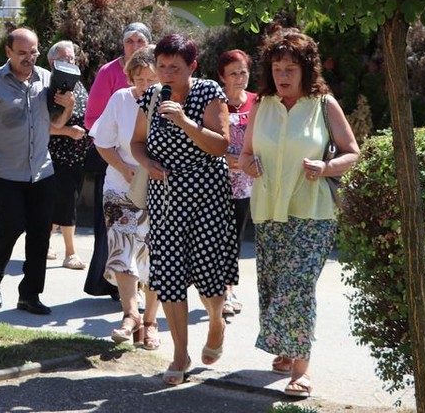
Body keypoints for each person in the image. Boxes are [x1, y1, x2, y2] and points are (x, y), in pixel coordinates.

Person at [238, 28, 359, 399]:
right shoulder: (261, 104)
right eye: (277, 68)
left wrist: (326, 167)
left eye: (290, 68)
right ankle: (285, 346)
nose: (283, 75)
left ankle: (301, 370)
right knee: (274, 285)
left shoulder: (324, 105)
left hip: (313, 213)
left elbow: (352, 152)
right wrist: (249, 165)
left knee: (297, 286)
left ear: (307, 69)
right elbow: (245, 155)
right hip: (268, 211)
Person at [130, 34, 236, 387]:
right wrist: (148, 163)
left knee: (208, 274)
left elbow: (221, 145)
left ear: (192, 66)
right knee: (170, 275)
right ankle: (180, 354)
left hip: (207, 197)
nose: (166, 73)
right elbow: (137, 142)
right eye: (161, 66)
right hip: (165, 198)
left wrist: (185, 122)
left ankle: (216, 322)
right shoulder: (151, 96)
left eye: (175, 67)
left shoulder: (208, 92)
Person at [0, 28, 75, 316]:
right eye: (22, 53)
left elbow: (56, 124)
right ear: (8, 52)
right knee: (11, 225)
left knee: (40, 234)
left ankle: (30, 295)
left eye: (33, 52)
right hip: (4, 171)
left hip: (41, 169)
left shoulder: (46, 79)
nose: (28, 58)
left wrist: (67, 108)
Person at [89, 47, 162, 350]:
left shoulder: (170, 103)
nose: (144, 85)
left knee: (155, 254)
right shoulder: (120, 99)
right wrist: (123, 168)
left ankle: (151, 322)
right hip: (120, 185)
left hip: (160, 188)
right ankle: (130, 315)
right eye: (139, 79)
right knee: (122, 247)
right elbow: (102, 142)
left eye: (150, 79)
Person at [83, 22, 151, 299]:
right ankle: (123, 298)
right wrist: (121, 164)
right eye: (129, 41)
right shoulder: (110, 75)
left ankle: (140, 296)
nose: (134, 46)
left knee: (147, 243)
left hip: (152, 179)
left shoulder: (167, 92)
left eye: (139, 41)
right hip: (116, 166)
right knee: (118, 235)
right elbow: (93, 120)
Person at [46, 40, 91, 270]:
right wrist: (69, 130)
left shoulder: (76, 83)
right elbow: (48, 125)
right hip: (59, 156)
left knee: (61, 204)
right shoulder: (53, 87)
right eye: (64, 58)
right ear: (52, 62)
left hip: (78, 156)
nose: (70, 61)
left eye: (72, 57)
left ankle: (42, 242)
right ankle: (70, 253)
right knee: (67, 203)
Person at [218, 49, 256, 317]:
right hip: (214, 181)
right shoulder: (214, 102)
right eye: (233, 73)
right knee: (219, 236)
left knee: (234, 236)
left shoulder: (257, 102)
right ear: (222, 76)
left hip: (245, 184)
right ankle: (220, 291)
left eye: (243, 72)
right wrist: (223, 156)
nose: (240, 78)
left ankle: (228, 289)